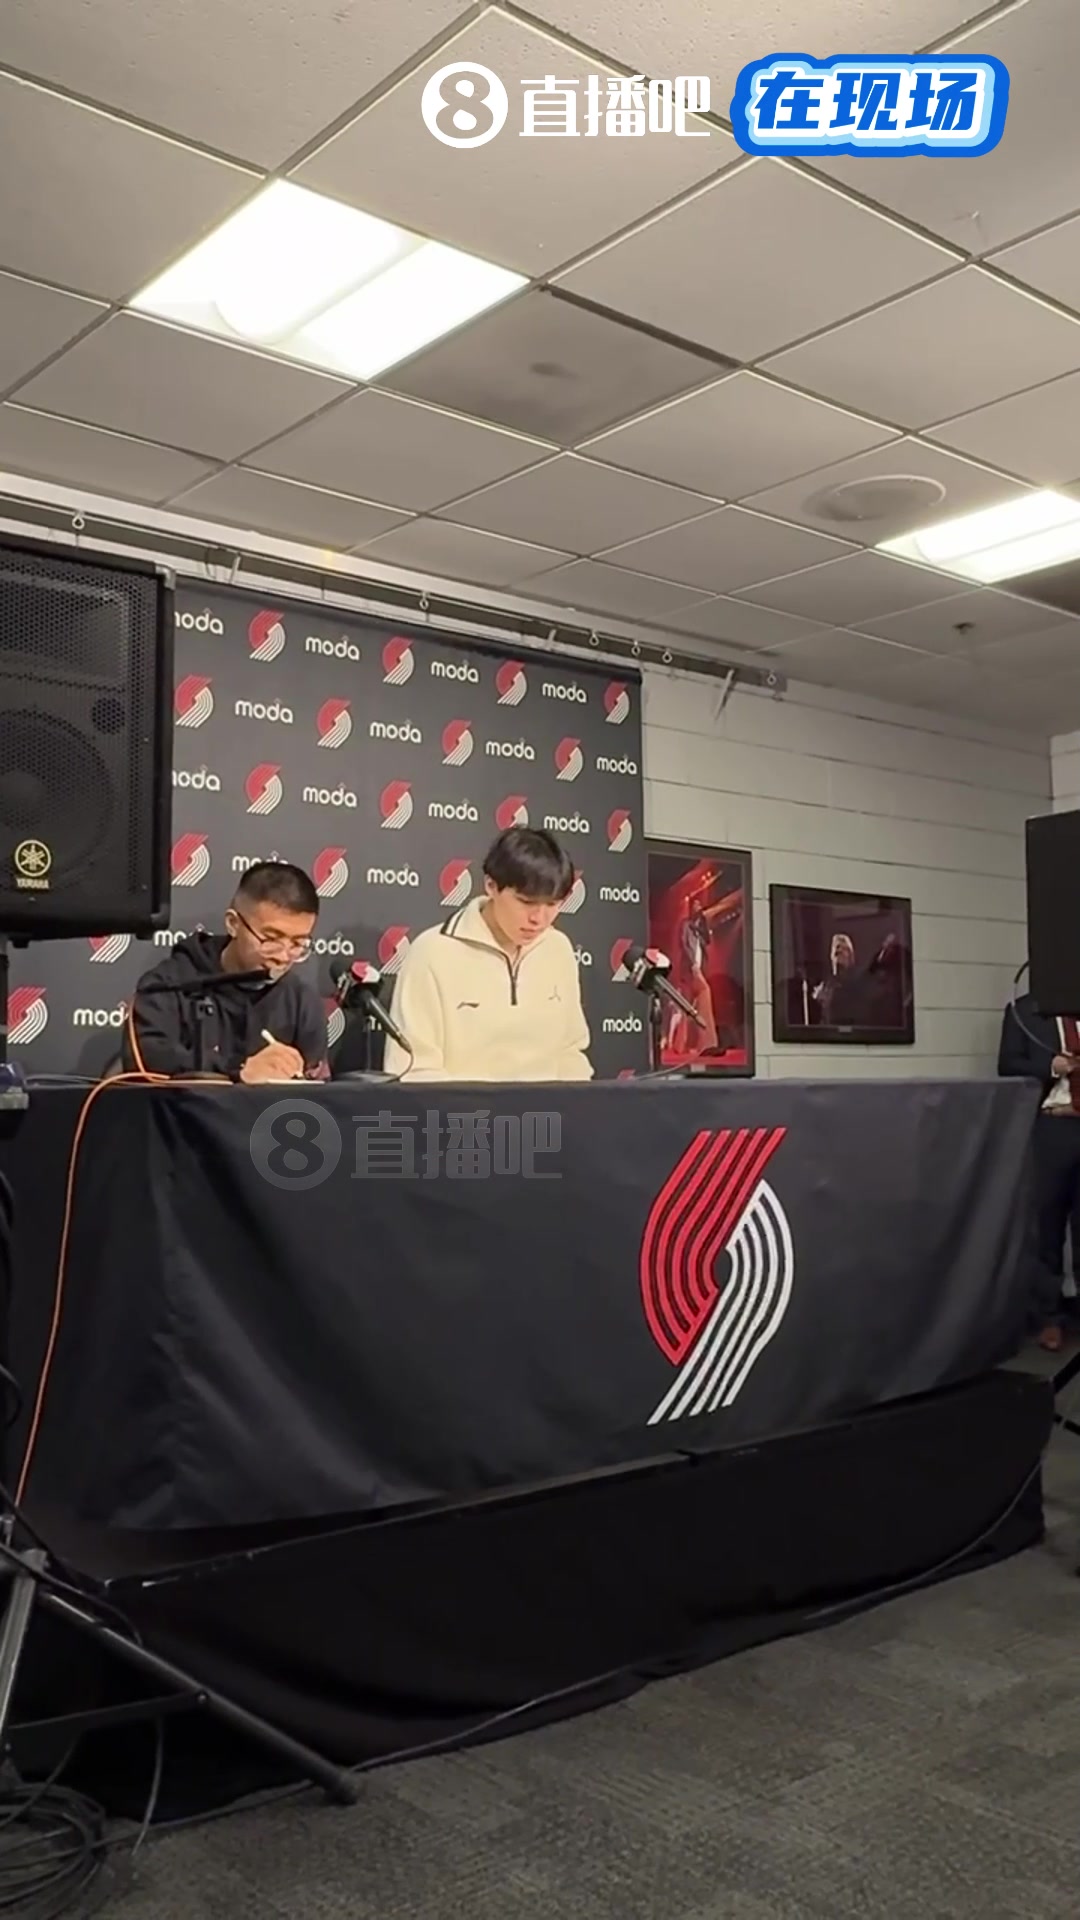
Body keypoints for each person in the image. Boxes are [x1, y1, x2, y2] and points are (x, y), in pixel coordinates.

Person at [383, 827, 591, 1082]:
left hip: (552, 1108)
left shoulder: (558, 949)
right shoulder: (432, 953)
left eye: (552, 904)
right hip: (462, 1109)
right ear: (491, 886)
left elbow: (570, 1053)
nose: (539, 918)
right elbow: (412, 1070)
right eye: (526, 902)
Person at [122, 861, 329, 1083]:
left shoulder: (301, 999)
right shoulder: (169, 984)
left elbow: (317, 1084)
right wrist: (238, 1070)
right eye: (270, 939)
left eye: (297, 944)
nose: (283, 956)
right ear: (233, 924)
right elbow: (145, 1061)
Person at [998, 987, 1080, 1351]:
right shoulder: (1023, 1012)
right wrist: (1050, 1066)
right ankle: (1049, 1317)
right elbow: (1008, 1064)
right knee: (1048, 1223)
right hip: (1052, 1126)